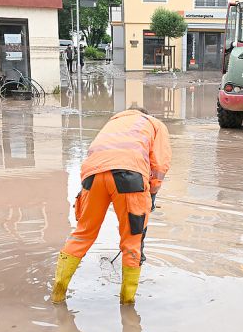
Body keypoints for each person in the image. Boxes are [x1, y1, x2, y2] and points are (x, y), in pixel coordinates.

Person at [50, 107, 172, 305]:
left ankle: (57, 293)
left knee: (82, 234)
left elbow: (91, 156)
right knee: (132, 242)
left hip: (92, 177)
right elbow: (159, 165)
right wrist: (152, 194)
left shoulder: (113, 123)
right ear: (145, 113)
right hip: (130, 178)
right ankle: (127, 304)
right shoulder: (154, 124)